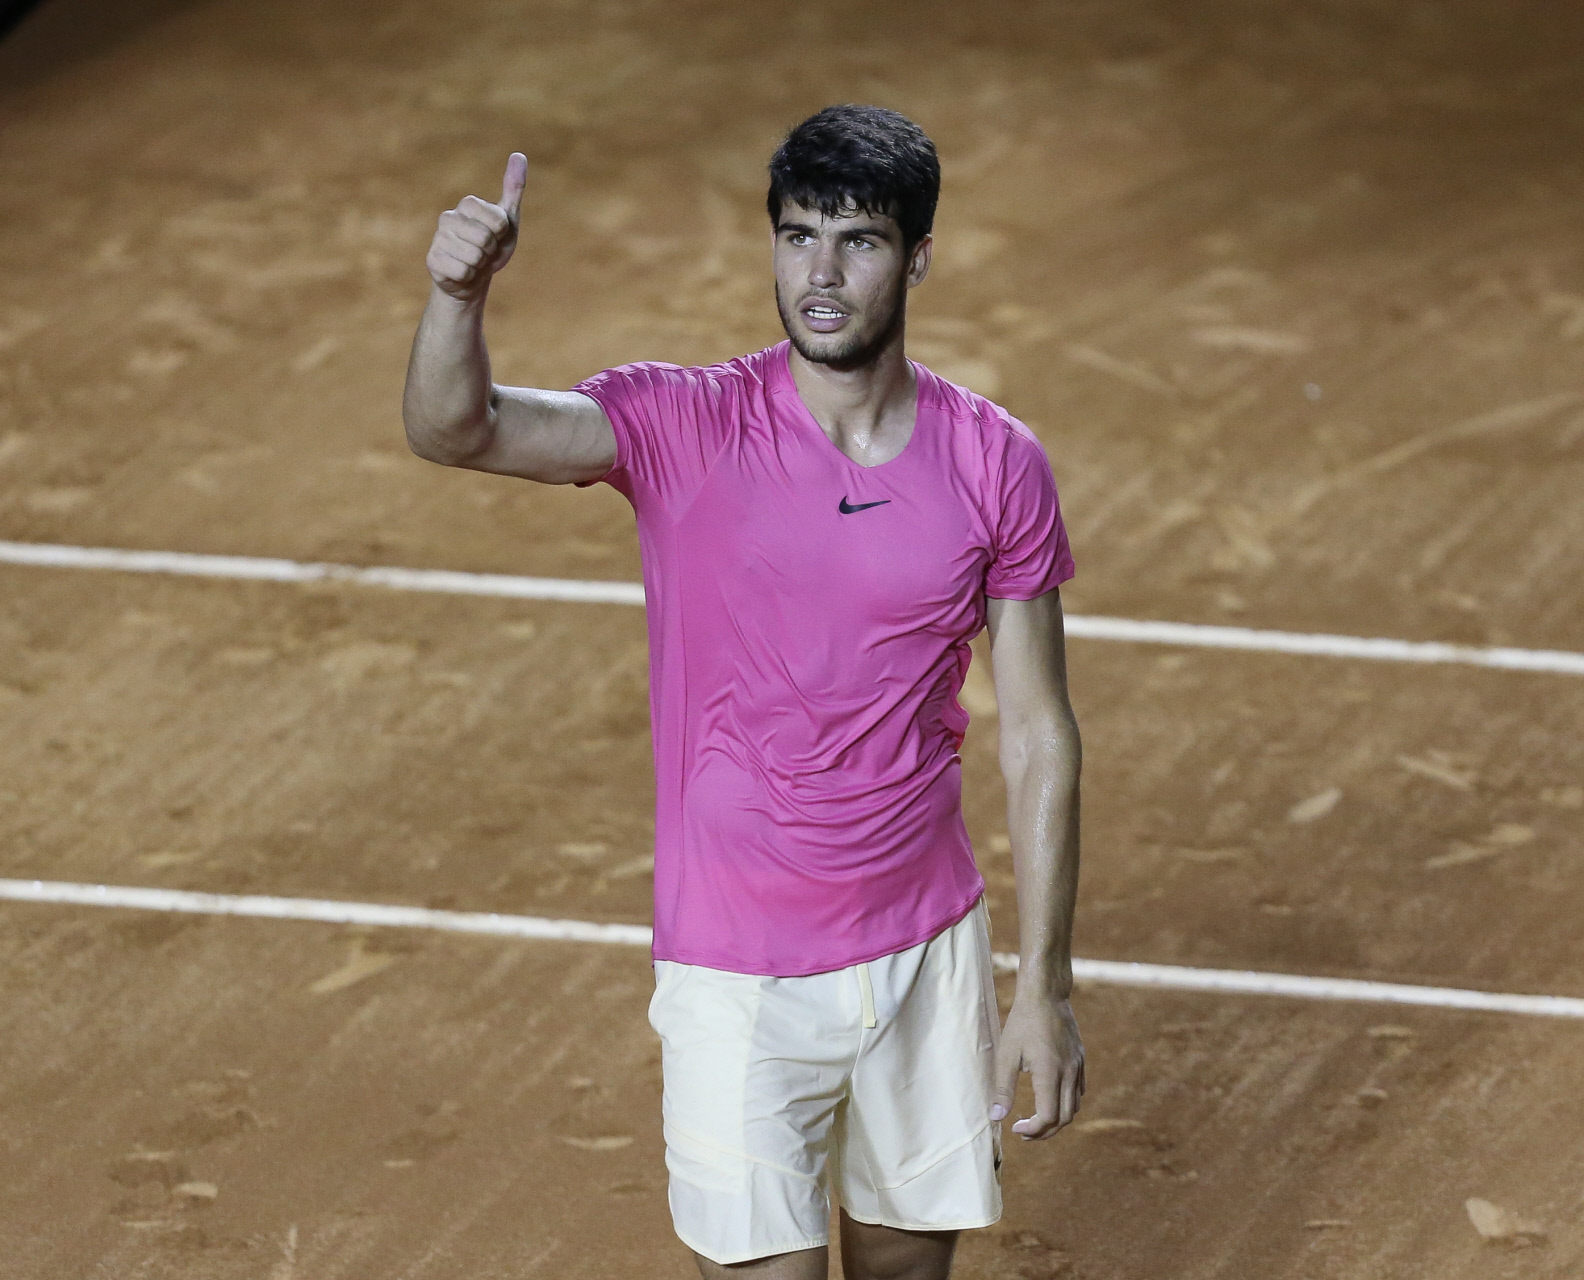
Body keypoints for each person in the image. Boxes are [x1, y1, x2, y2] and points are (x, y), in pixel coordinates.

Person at [400, 105, 1085, 1279]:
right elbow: (455, 427)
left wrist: (1047, 985)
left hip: (925, 949)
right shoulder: (685, 423)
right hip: (736, 971)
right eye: (797, 235)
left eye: (857, 241)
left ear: (917, 255)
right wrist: (458, 297)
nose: (819, 273)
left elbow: (1038, 732)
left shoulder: (995, 462)